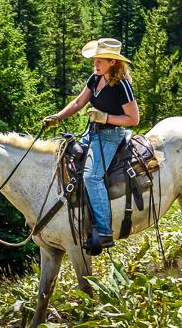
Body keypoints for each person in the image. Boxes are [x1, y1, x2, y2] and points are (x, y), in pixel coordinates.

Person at [41, 37, 140, 253]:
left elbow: (133, 119)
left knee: (91, 176)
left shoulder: (121, 86)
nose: (95, 64)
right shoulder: (95, 79)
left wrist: (105, 118)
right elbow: (78, 102)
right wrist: (57, 118)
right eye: (95, 59)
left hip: (111, 136)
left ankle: (105, 231)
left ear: (113, 63)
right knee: (63, 158)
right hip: (92, 133)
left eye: (100, 60)